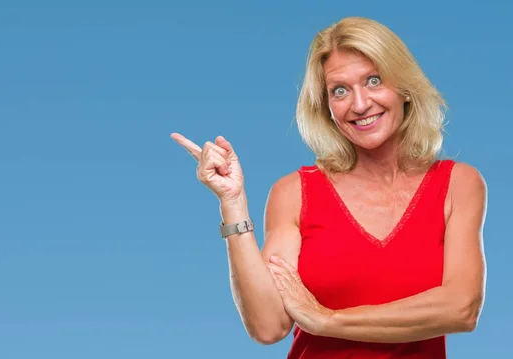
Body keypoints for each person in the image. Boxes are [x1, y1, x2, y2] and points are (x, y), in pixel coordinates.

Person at [170, 16, 487, 359]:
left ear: (405, 88)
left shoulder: (458, 184)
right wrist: (232, 202)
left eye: (374, 80)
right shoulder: (295, 193)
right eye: (340, 90)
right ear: (327, 108)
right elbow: (268, 326)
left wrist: (327, 320)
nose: (360, 104)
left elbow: (461, 309)